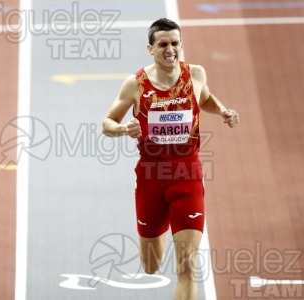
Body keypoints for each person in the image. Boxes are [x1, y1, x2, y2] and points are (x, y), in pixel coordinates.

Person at [102, 18, 239, 299]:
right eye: (163, 44)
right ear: (150, 48)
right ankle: (159, 231)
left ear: (181, 45)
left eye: (175, 43)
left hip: (187, 177)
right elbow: (107, 122)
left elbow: (206, 98)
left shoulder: (196, 74)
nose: (170, 49)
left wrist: (223, 110)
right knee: (151, 265)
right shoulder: (135, 84)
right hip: (151, 179)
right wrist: (123, 129)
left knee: (187, 267)